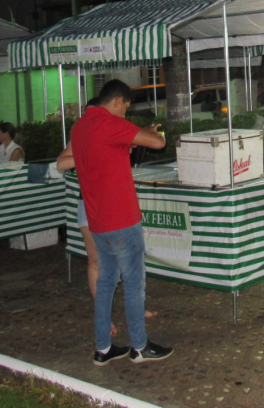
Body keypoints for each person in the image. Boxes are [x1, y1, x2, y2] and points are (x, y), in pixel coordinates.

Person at [70, 79, 171, 366]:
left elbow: (104, 156)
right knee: (134, 284)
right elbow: (158, 142)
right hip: (122, 219)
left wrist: (131, 136)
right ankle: (139, 346)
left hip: (97, 220)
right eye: (125, 108)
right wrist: (142, 133)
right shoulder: (111, 123)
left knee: (105, 285)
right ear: (117, 101)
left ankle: (103, 347)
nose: (125, 114)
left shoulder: (80, 127)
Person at [57, 99, 157, 332]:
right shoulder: (82, 133)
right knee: (96, 262)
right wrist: (90, 153)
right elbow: (61, 163)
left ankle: (135, 310)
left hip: (113, 205)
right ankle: (107, 322)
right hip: (90, 204)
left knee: (128, 266)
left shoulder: (112, 129)